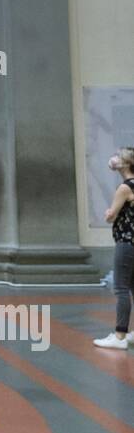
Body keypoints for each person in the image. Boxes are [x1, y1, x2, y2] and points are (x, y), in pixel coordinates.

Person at [94, 148, 134, 349]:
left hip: (126, 243)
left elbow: (112, 215)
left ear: (126, 163)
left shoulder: (124, 188)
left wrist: (109, 213)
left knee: (121, 288)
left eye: (119, 156)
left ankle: (119, 335)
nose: (114, 159)